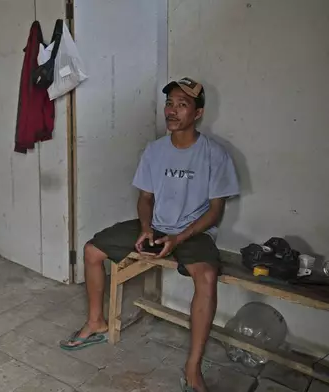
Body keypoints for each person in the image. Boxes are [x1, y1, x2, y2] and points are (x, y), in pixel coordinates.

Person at [59, 78, 240, 392]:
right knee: (91, 251)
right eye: (169, 103)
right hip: (155, 226)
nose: (172, 110)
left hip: (193, 232)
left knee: (207, 277)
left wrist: (179, 239)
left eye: (182, 104)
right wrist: (145, 229)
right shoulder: (155, 150)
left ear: (198, 113)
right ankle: (96, 322)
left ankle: (193, 366)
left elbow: (214, 211)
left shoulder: (215, 154)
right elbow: (145, 198)